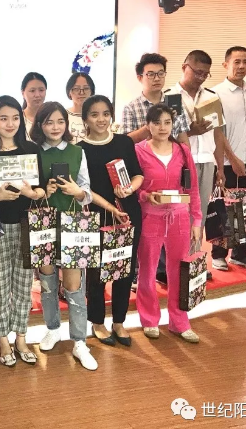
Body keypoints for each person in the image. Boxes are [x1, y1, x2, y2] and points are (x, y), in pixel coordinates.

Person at [0, 96, 46, 366]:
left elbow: (42, 190)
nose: (10, 123)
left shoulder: (31, 149)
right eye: (3, 118)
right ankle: (3, 339)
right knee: (0, 286)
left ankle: (22, 337)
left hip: (26, 225)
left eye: (15, 118)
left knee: (24, 285)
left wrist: (32, 193)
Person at [29, 102, 97, 371]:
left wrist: (77, 192)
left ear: (67, 124)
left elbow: (87, 191)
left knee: (74, 285)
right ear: (40, 125)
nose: (55, 127)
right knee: (47, 281)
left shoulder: (78, 151)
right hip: (43, 222)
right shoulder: (33, 152)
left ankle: (80, 340)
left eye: (60, 121)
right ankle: (52, 328)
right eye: (48, 122)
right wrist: (42, 191)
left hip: (74, 223)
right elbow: (28, 190)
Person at [78, 95, 143, 346]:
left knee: (124, 268)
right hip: (96, 215)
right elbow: (82, 188)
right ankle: (97, 321)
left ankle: (119, 321)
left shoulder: (124, 142)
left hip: (127, 213)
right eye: (94, 114)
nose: (101, 119)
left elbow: (138, 175)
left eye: (106, 113)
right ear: (85, 119)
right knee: (97, 272)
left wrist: (129, 189)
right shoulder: (79, 149)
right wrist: (107, 205)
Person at [135, 104, 202, 343]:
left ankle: (179, 321)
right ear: (148, 125)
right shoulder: (138, 151)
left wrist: (197, 219)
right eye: (157, 122)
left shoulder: (182, 151)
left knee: (179, 271)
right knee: (147, 271)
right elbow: (133, 186)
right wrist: (145, 195)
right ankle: (149, 319)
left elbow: (192, 188)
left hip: (179, 218)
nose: (162, 127)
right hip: (150, 218)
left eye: (167, 122)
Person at [122, 53, 190, 284]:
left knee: (171, 215)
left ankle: (166, 269)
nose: (156, 78)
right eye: (150, 74)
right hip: (143, 173)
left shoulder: (175, 102)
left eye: (160, 73)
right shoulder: (132, 107)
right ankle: (141, 271)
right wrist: (152, 125)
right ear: (140, 77)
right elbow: (126, 142)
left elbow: (182, 135)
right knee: (146, 222)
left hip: (172, 169)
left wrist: (186, 165)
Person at [169, 50, 227, 281]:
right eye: (197, 72)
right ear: (185, 67)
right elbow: (166, 134)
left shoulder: (211, 97)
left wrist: (220, 167)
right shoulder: (171, 96)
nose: (201, 77)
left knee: (198, 214)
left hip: (206, 161)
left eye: (205, 74)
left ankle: (193, 263)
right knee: (178, 214)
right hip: (180, 163)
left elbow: (218, 134)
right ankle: (175, 264)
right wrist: (191, 131)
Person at [211, 46, 246, 271]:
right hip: (227, 162)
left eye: (245, 61)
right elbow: (217, 131)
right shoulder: (216, 93)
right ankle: (218, 254)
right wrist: (231, 159)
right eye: (237, 62)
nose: (242, 66)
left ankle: (240, 253)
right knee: (224, 209)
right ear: (226, 65)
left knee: (245, 209)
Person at [65, 72, 96, 143]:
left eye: (86, 88)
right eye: (76, 89)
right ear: (69, 92)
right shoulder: (63, 115)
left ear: (92, 92)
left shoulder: (98, 116)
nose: (81, 93)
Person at [21, 72, 47, 137]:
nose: (37, 95)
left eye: (41, 90)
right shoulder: (17, 119)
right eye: (32, 91)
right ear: (23, 93)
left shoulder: (52, 117)